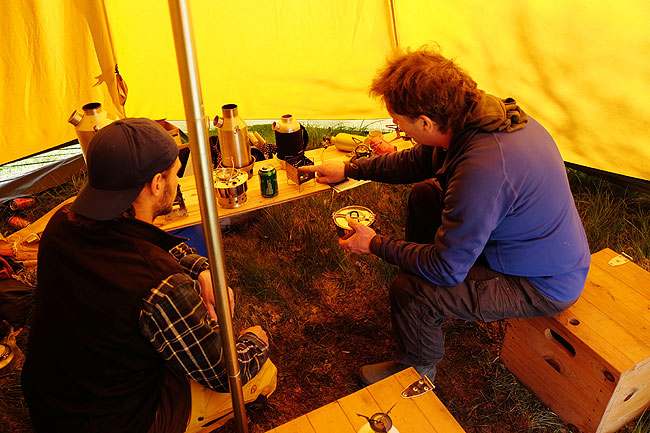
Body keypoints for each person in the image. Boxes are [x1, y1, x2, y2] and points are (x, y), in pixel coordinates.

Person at [301, 46, 590, 385]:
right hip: (525, 246)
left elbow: (446, 267)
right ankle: (423, 306)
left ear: (425, 122)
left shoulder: (482, 168)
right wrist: (352, 168)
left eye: (397, 119)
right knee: (425, 195)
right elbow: (419, 161)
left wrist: (375, 243)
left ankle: (417, 369)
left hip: (540, 282)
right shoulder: (472, 117)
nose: (394, 124)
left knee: (411, 289)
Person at [21, 118, 277, 433]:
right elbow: (222, 373)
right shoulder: (160, 285)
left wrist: (202, 269)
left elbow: (148, 243)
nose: (178, 179)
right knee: (262, 372)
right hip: (118, 423)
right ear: (157, 183)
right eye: (175, 172)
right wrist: (254, 339)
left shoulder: (61, 223)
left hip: (52, 405)